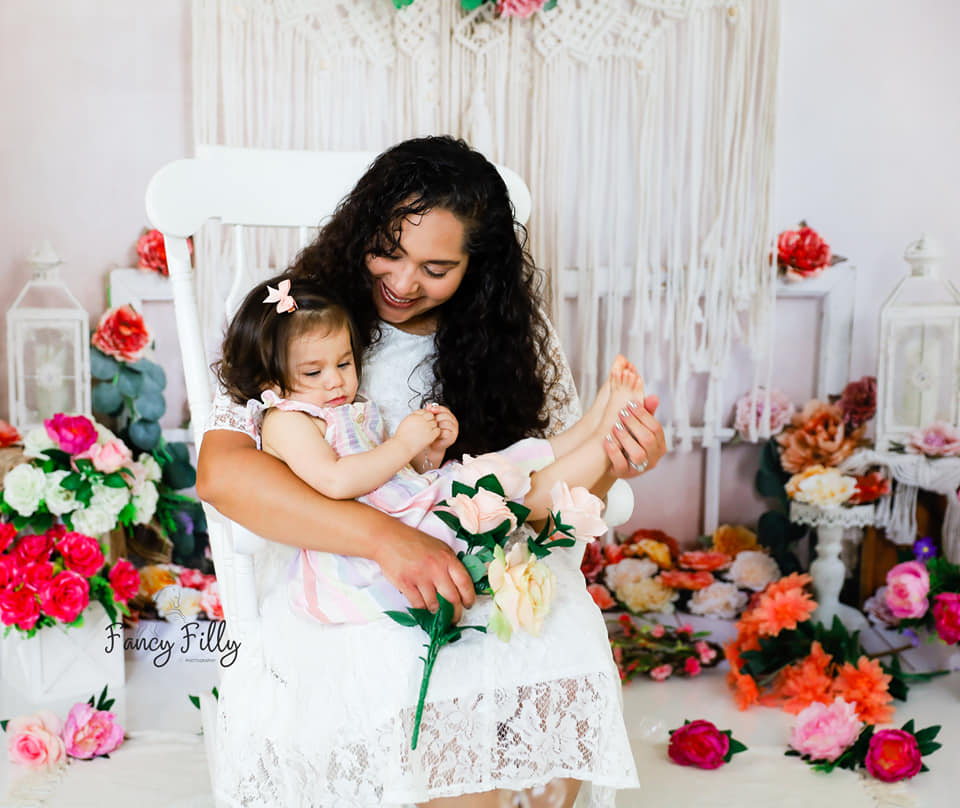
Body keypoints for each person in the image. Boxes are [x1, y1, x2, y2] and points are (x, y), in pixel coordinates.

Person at [198, 136, 667, 808]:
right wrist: (383, 539)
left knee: (539, 643)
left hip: (471, 552)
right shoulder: (304, 327)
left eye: (436, 266)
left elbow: (543, 506)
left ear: (477, 265)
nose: (402, 280)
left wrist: (617, 458)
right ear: (362, 229)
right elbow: (223, 475)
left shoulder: (504, 340)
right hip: (349, 576)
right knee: (433, 701)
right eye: (387, 250)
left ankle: (606, 426)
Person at [215, 276, 646, 623]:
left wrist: (430, 455)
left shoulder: (344, 409)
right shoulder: (286, 420)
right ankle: (607, 446)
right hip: (367, 545)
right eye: (314, 371)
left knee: (506, 466)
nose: (336, 381)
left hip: (405, 504)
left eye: (344, 363)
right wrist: (403, 444)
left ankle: (592, 426)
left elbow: (397, 477)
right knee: (508, 495)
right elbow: (337, 482)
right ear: (270, 382)